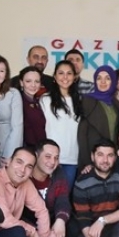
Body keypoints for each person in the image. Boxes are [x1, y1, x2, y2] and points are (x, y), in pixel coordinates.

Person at [28, 139, 74, 237]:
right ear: (36, 156)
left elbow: (63, 199)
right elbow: (21, 214)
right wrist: (44, 235)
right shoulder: (26, 174)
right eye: (47, 157)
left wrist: (60, 221)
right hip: (31, 225)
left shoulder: (58, 172)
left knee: (71, 222)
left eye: (56, 158)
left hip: (51, 220)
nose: (52, 162)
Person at [41, 60, 82, 189]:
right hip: (50, 158)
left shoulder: (80, 100)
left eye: (69, 73)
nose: (65, 77)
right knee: (47, 196)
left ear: (75, 77)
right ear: (54, 76)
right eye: (61, 73)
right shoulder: (45, 99)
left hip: (72, 158)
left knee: (64, 196)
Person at [78, 65, 119, 168]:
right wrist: (87, 162)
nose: (103, 82)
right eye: (99, 78)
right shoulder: (87, 101)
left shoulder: (117, 104)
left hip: (112, 157)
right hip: (93, 157)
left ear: (113, 81)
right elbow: (81, 134)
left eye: (107, 78)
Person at [19, 66, 47, 148]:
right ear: (21, 83)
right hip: (26, 149)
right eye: (28, 81)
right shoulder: (18, 102)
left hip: (40, 148)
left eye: (37, 81)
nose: (33, 85)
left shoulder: (40, 101)